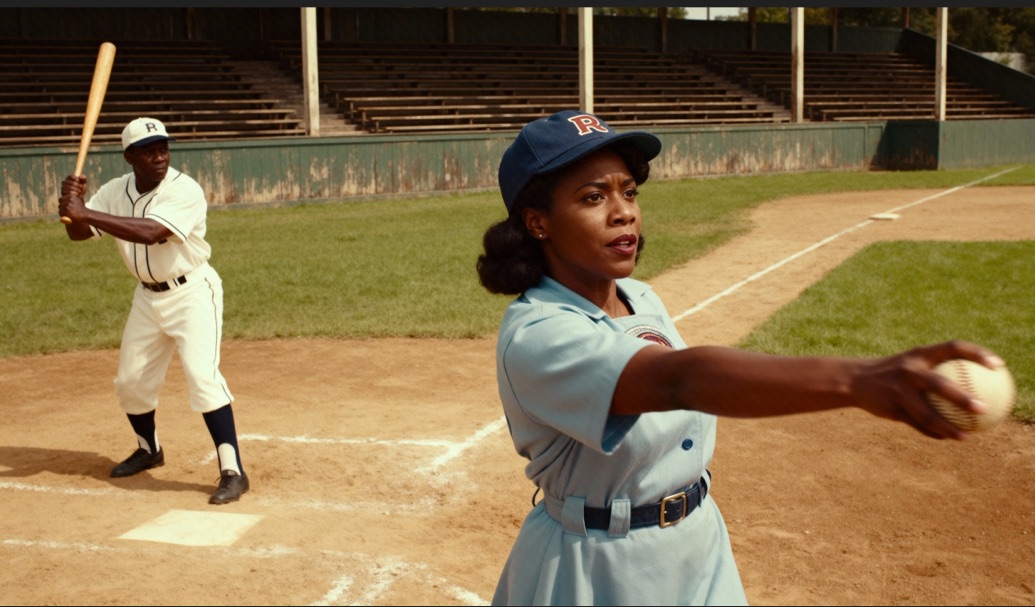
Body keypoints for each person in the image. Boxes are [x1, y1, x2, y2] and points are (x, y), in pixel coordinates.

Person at [476, 110, 1003, 605]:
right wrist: (858, 380)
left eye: (629, 192)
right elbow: (678, 380)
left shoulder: (641, 298)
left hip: (699, 544)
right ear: (538, 223)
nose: (624, 212)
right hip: (597, 567)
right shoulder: (538, 333)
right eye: (594, 197)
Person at [58, 117, 249, 505]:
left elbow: (150, 231)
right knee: (129, 382)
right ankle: (149, 450)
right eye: (149, 150)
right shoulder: (115, 191)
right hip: (146, 298)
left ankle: (233, 471)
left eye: (163, 147)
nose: (160, 156)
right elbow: (78, 233)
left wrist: (87, 212)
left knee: (202, 377)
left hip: (193, 292)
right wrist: (68, 207)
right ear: (130, 156)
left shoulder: (185, 189)